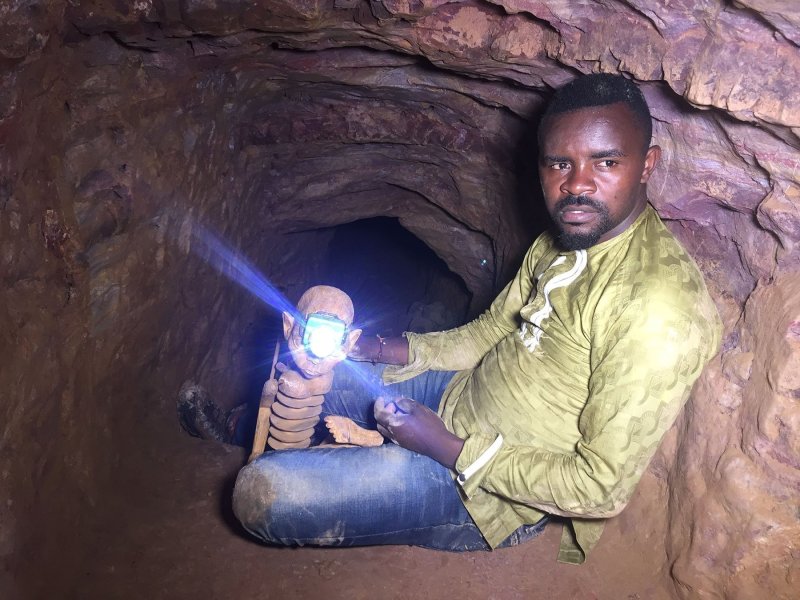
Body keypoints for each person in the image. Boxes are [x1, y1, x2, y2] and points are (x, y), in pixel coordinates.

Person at [231, 73, 722, 564]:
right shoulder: (564, 239)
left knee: (263, 494)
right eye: (559, 163)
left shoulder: (660, 309)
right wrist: (377, 348)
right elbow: (489, 333)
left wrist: (444, 446)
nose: (576, 185)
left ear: (646, 165)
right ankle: (235, 429)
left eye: (606, 161)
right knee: (314, 371)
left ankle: (329, 460)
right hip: (457, 395)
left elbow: (599, 488)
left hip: (487, 492)